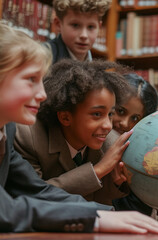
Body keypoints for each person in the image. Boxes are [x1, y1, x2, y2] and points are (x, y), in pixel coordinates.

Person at [0, 21, 158, 236]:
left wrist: (106, 213)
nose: (42, 94)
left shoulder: (3, 130)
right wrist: (93, 219)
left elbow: (38, 191)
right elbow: (2, 207)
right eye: (31, 80)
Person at [14, 59, 134, 206]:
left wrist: (115, 182)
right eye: (97, 114)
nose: (108, 126)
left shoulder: (111, 143)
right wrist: (98, 170)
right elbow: (33, 197)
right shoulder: (28, 137)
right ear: (65, 117)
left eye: (110, 114)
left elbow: (97, 200)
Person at [103, 73, 158, 216]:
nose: (125, 123)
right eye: (120, 111)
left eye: (135, 118)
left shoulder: (143, 152)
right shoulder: (92, 142)